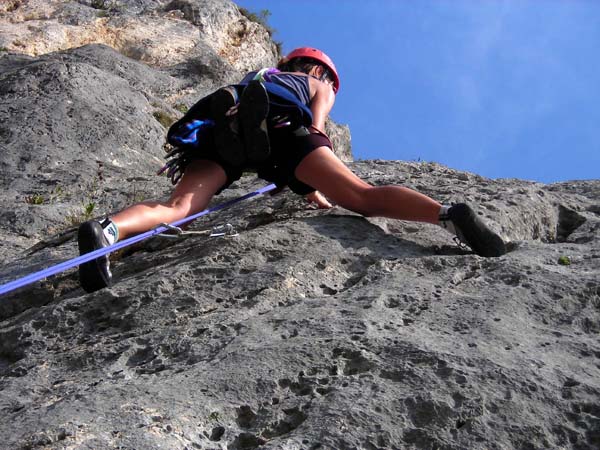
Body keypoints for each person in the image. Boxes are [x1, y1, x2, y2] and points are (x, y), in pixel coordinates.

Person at [77, 47, 506, 293]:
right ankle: (447, 214)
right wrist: (320, 149)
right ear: (320, 71)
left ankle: (107, 231)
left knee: (178, 206)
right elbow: (316, 121)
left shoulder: (258, 78)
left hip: (225, 131)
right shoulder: (318, 83)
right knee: (360, 196)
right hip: (286, 132)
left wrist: (304, 188)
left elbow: (270, 161)